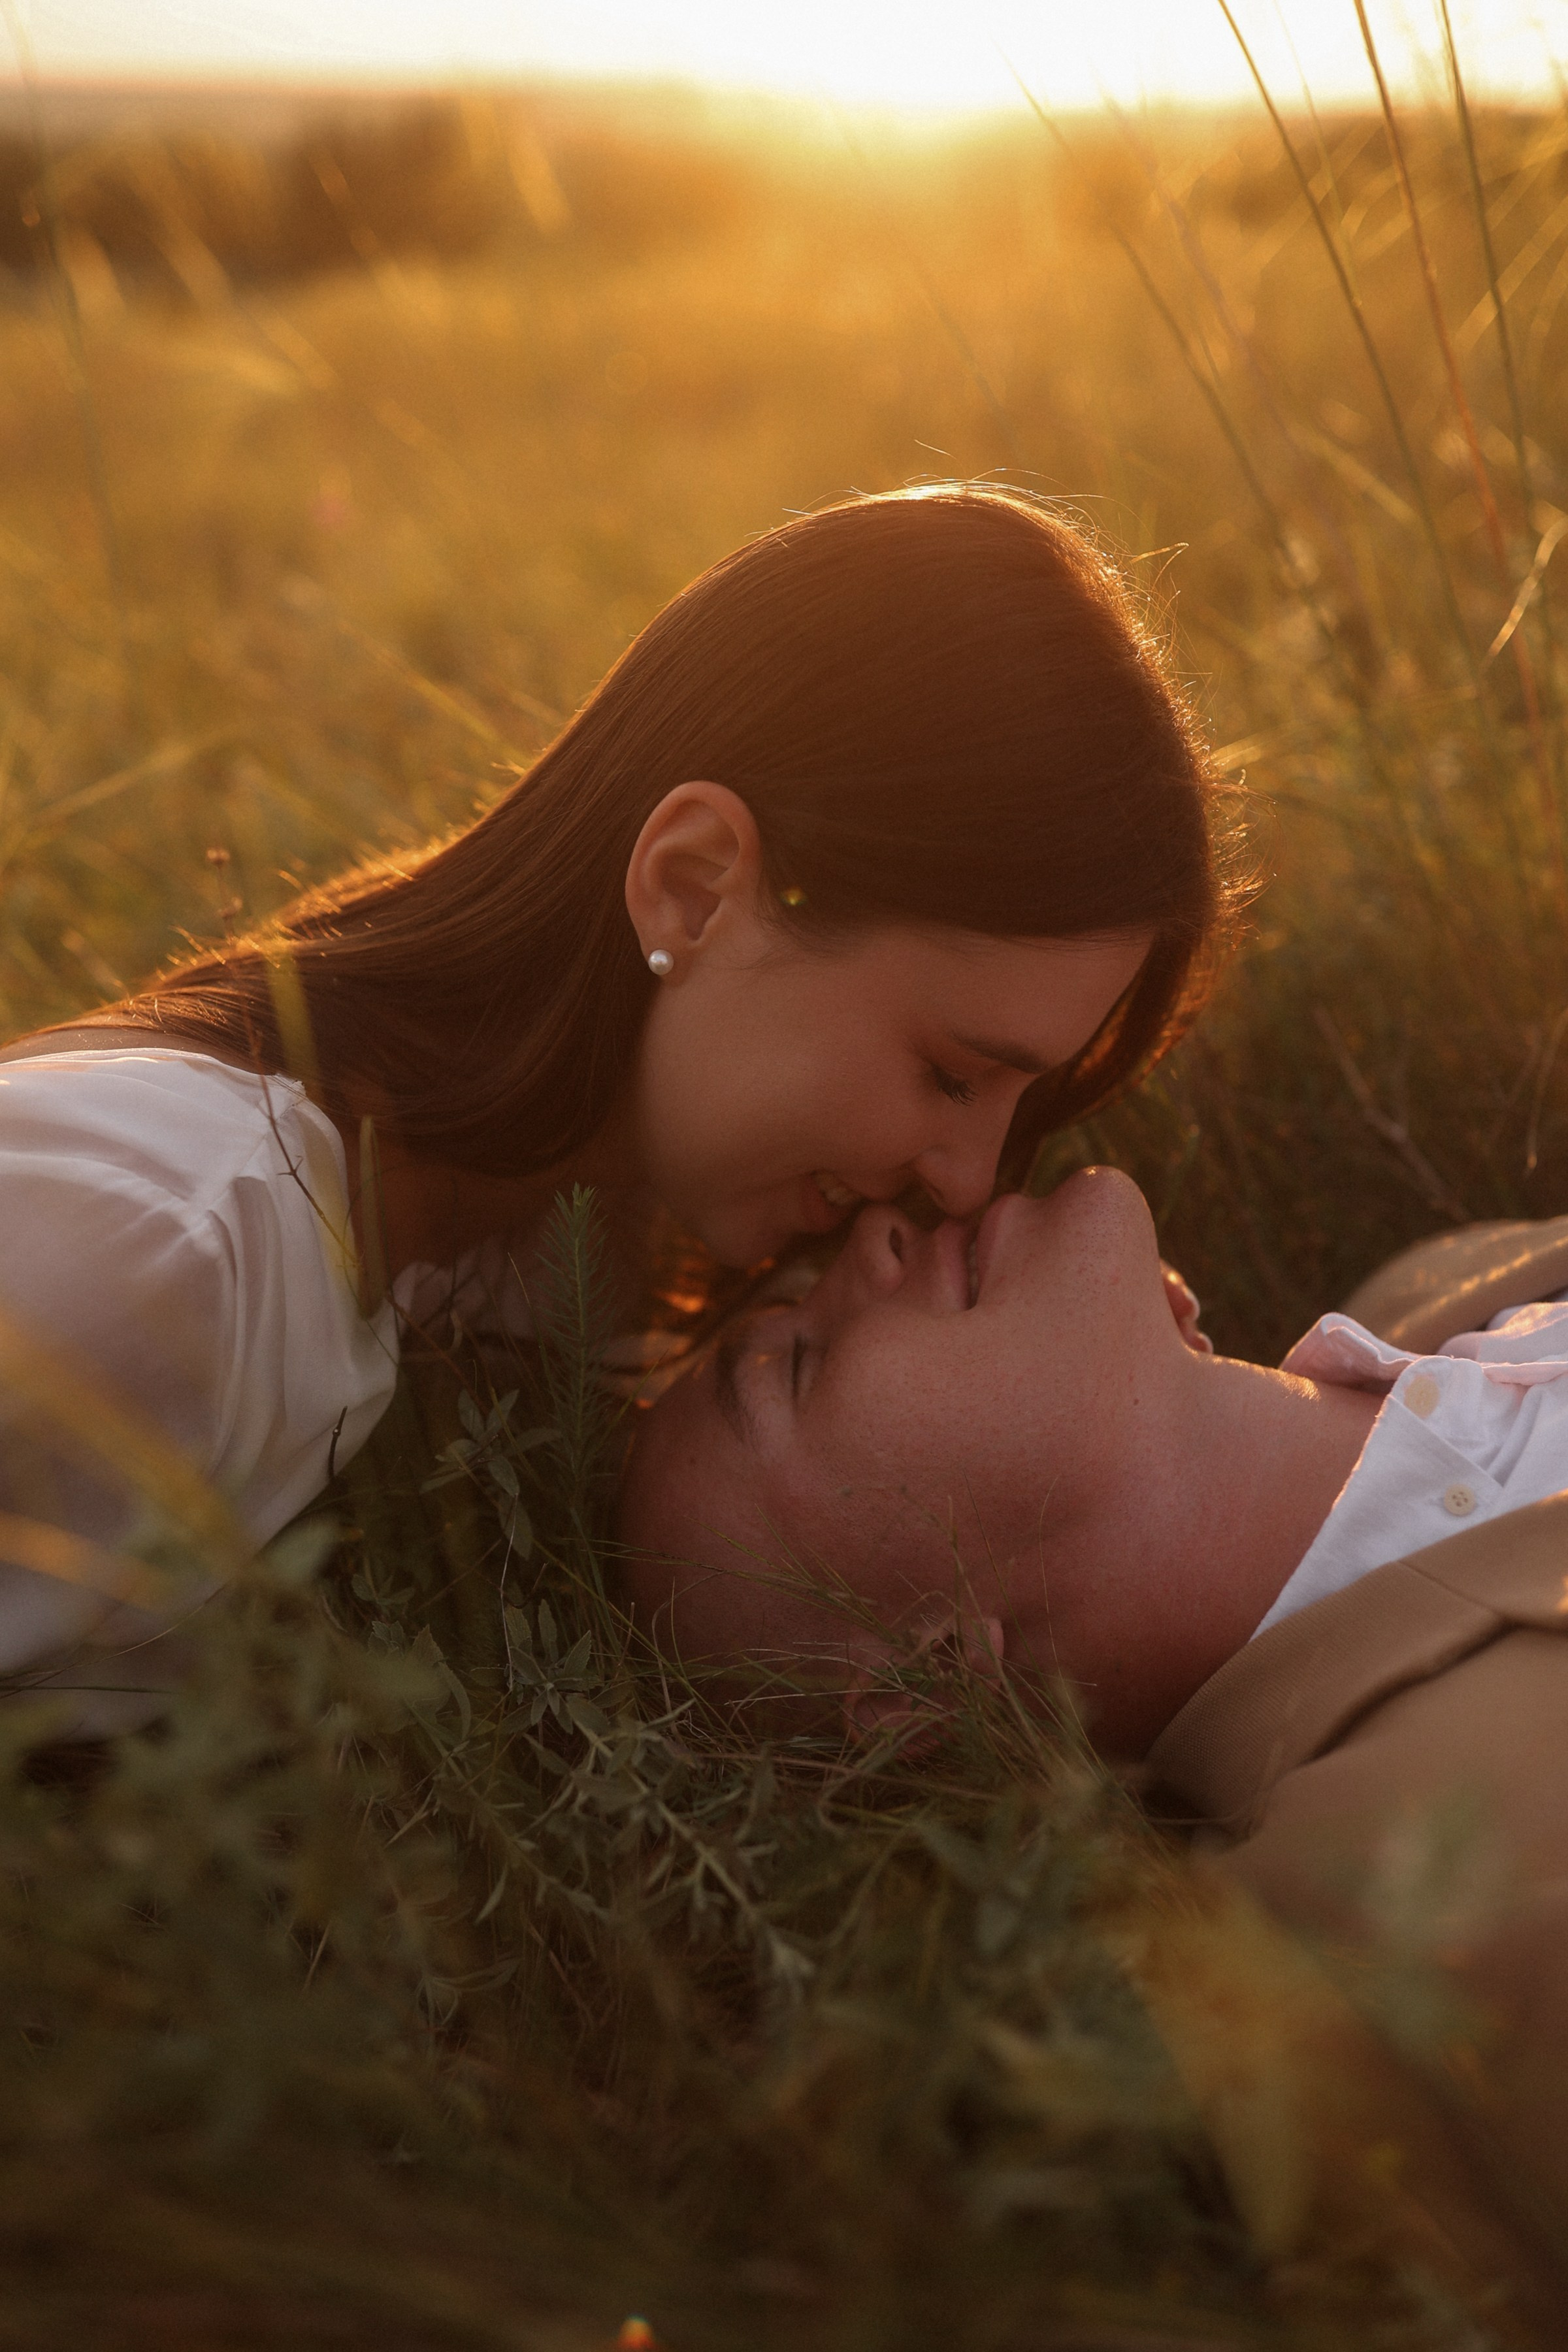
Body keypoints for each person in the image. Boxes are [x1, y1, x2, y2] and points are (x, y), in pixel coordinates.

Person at [0, 485, 1237, 1733]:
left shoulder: (535, 1267)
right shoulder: (158, 1245)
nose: (971, 1180)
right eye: (952, 1074)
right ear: (693, 889)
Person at [617, 1171, 1568, 2280]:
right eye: (800, 1363)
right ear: (935, 1684)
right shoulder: (1410, 1921)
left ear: (1175, 1305)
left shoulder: (1446, 1280)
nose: (874, 1236)